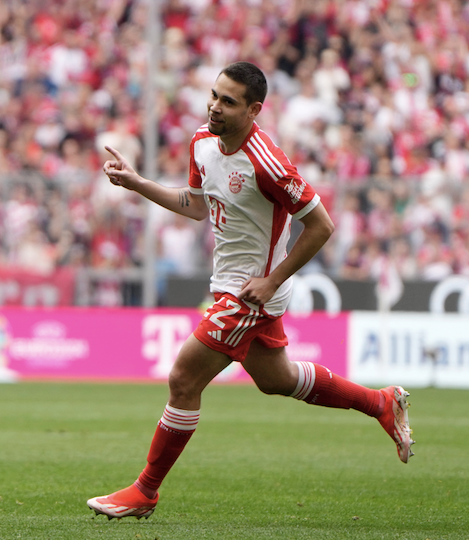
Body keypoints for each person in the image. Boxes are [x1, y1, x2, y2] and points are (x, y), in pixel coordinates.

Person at [87, 62, 414, 520]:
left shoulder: (269, 162)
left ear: (254, 110)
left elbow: (321, 226)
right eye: (214, 95)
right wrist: (138, 183)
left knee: (183, 380)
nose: (214, 106)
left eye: (228, 101)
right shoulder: (202, 140)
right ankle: (381, 402)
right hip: (229, 283)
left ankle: (145, 491)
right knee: (275, 380)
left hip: (250, 291)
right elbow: (197, 205)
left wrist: (272, 280)